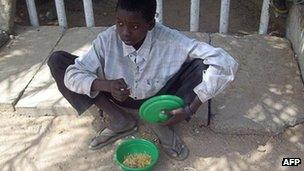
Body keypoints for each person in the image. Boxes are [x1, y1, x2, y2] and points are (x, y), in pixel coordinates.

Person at [47, 0, 238, 160]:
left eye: (135, 26)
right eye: (120, 23)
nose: (125, 32)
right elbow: (73, 75)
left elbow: (226, 62)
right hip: (116, 96)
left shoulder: (171, 40)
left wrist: (191, 107)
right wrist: (106, 85)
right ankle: (120, 119)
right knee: (58, 62)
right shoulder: (107, 39)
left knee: (201, 65)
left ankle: (160, 121)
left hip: (158, 97)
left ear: (151, 24)